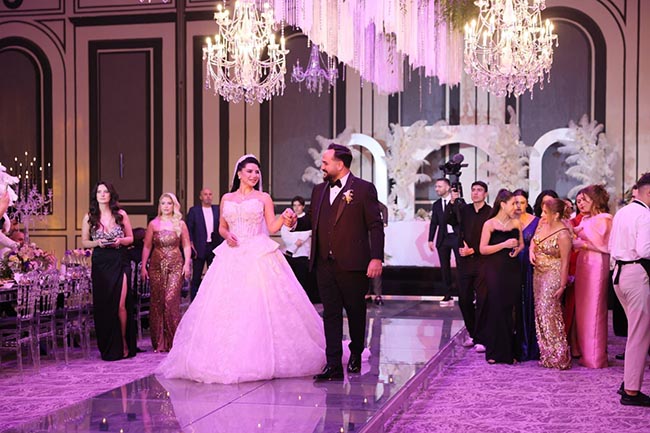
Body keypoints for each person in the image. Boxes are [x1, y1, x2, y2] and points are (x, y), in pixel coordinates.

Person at [156, 155, 325, 384]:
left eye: (257, 172)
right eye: (250, 171)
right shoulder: (227, 198)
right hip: (232, 253)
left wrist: (286, 218)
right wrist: (227, 235)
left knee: (258, 301)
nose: (254, 176)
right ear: (239, 174)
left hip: (257, 251)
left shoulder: (263, 197)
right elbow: (222, 227)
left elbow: (271, 226)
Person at [297, 143, 384, 381]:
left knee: (356, 312)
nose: (322, 166)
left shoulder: (364, 189)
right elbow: (312, 219)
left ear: (340, 164)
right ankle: (333, 364)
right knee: (331, 314)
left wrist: (376, 257)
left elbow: (375, 226)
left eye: (325, 163)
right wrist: (294, 223)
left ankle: (355, 352)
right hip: (324, 264)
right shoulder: (319, 190)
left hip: (353, 264)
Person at [81, 181, 136, 361]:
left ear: (111, 195)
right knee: (105, 306)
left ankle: (124, 342)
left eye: (105, 192)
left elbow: (130, 238)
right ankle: (109, 345)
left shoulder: (121, 214)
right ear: (95, 195)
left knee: (120, 304)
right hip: (101, 262)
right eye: (99, 192)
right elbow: (85, 242)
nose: (102, 194)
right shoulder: (89, 217)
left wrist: (120, 241)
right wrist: (98, 243)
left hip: (120, 259)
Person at [609, 173, 650, 406]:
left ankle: (629, 381)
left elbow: (611, 246)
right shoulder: (645, 215)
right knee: (639, 334)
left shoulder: (622, 212)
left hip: (619, 274)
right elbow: (644, 250)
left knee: (636, 331)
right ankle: (631, 391)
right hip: (636, 274)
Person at [140, 193, 191, 352]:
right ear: (159, 206)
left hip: (175, 265)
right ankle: (159, 342)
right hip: (156, 266)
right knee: (157, 302)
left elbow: (186, 245)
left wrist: (187, 264)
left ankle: (173, 341)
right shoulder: (153, 224)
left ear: (174, 205)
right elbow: (147, 246)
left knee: (170, 300)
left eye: (169, 203)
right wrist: (143, 266)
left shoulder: (180, 224)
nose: (166, 206)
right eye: (163, 203)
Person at [445, 181, 491, 352]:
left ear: (485, 194)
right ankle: (473, 333)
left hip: (482, 261)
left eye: (479, 190)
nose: (476, 193)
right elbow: (448, 220)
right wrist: (452, 201)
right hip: (464, 262)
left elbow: (492, 237)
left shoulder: (490, 212)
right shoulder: (464, 210)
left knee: (482, 300)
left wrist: (474, 249)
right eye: (473, 190)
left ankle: (482, 337)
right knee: (464, 299)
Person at [479, 189, 523, 364]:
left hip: (512, 269)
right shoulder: (489, 224)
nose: (516, 207)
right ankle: (495, 352)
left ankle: (511, 351)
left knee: (511, 308)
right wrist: (503, 245)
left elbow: (521, 244)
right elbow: (483, 249)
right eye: (513, 203)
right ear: (503, 205)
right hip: (495, 270)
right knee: (496, 308)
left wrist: (516, 249)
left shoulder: (516, 223)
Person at [572, 185, 612, 368]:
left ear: (595, 201)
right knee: (583, 308)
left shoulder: (604, 219)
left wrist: (582, 243)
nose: (581, 204)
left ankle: (595, 357)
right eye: (579, 201)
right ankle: (587, 352)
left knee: (594, 308)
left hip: (596, 264)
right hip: (584, 263)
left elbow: (604, 245)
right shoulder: (586, 219)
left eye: (584, 200)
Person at [530, 198, 572, 370]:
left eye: (545, 212)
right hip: (538, 273)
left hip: (553, 274)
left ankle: (560, 355)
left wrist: (562, 285)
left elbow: (565, 262)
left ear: (555, 215)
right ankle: (547, 354)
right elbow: (534, 241)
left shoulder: (563, 234)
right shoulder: (542, 224)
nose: (542, 215)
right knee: (540, 312)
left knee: (549, 312)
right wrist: (531, 251)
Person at [513, 189, 541, 362]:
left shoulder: (536, 221)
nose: (518, 206)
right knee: (514, 304)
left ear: (527, 204)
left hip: (530, 267)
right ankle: (515, 347)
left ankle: (531, 346)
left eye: (522, 202)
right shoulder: (507, 221)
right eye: (515, 202)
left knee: (529, 302)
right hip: (511, 266)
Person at [428, 178, 460, 306]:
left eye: (439, 186)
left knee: (462, 266)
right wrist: (430, 239)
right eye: (436, 186)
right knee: (444, 268)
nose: (437, 189)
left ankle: (465, 293)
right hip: (443, 238)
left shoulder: (458, 201)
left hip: (456, 237)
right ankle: (447, 294)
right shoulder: (436, 204)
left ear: (447, 188)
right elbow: (434, 223)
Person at [186, 188, 223, 300]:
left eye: (210, 194)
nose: (208, 196)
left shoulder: (217, 210)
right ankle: (194, 301)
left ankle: (212, 300)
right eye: (205, 194)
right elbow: (189, 229)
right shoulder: (194, 211)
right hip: (199, 247)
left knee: (214, 276)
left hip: (214, 246)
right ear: (200, 197)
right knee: (196, 277)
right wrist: (191, 244)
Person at [280, 196, 318, 302]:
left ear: (303, 206)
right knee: (292, 282)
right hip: (290, 256)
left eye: (299, 205)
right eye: (294, 205)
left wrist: (292, 248)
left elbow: (303, 237)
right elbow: (285, 234)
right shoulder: (290, 218)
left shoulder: (307, 220)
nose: (296, 208)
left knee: (302, 282)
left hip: (303, 255)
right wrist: (293, 244)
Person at [366, 201, 388, 306]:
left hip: (373, 237)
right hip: (361, 238)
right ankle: (366, 294)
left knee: (375, 267)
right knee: (363, 266)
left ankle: (378, 294)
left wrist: (385, 222)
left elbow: (384, 208)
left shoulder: (371, 200)